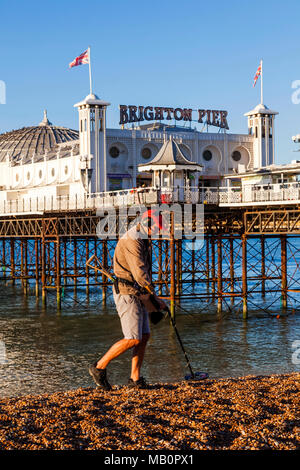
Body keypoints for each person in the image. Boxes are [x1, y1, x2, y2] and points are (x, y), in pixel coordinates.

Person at [89, 209, 167, 390]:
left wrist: (151, 299)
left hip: (138, 292)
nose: (159, 231)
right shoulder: (133, 239)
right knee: (132, 338)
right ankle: (99, 367)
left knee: (144, 336)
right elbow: (140, 275)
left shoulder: (143, 238)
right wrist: (156, 298)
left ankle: (135, 379)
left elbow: (143, 275)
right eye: (157, 227)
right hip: (127, 292)